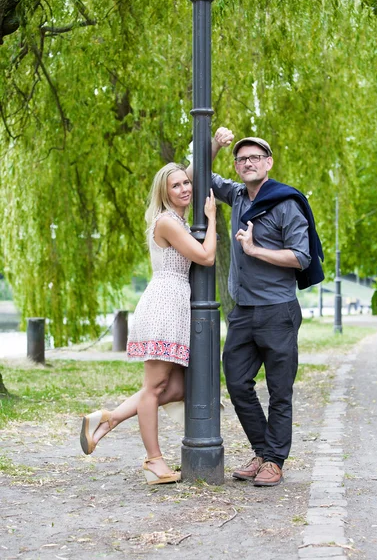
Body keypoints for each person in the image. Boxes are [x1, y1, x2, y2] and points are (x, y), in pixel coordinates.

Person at [189, 127, 322, 487]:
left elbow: (300, 256)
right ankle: (264, 452)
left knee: (280, 391)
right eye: (242, 158)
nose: (248, 162)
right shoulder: (237, 195)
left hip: (278, 311)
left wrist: (254, 250)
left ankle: (274, 460)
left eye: (255, 157)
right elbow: (197, 174)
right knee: (236, 383)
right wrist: (214, 145)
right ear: (237, 166)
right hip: (243, 311)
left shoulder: (285, 203)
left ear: (268, 163)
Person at [80, 163, 217, 485]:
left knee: (178, 387)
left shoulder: (176, 220)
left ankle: (108, 419)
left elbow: (194, 161)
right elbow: (206, 257)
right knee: (154, 388)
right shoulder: (168, 222)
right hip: (164, 306)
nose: (185, 188)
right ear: (164, 192)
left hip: (173, 305)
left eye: (187, 182)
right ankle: (153, 461)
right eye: (176, 185)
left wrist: (214, 147)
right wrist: (212, 220)